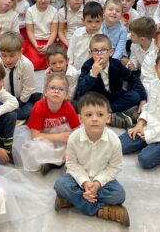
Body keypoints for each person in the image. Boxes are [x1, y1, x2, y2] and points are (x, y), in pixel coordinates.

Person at [53, 92, 129, 227]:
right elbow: (71, 163)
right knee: (60, 184)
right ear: (80, 118)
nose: (94, 119)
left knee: (119, 195)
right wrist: (84, 183)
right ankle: (100, 210)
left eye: (100, 114)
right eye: (88, 115)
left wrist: (98, 183)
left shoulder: (114, 141)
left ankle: (71, 200)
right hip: (77, 179)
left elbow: (115, 167)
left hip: (102, 181)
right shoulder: (74, 138)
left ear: (108, 118)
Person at [76, 34, 146, 127]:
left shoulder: (116, 64)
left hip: (114, 97)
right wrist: (92, 74)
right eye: (96, 51)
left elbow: (133, 79)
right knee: (78, 104)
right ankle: (112, 116)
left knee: (135, 96)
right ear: (90, 53)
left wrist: (143, 98)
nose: (100, 54)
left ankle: (108, 113)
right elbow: (81, 90)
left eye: (104, 50)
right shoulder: (87, 66)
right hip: (96, 99)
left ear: (111, 52)